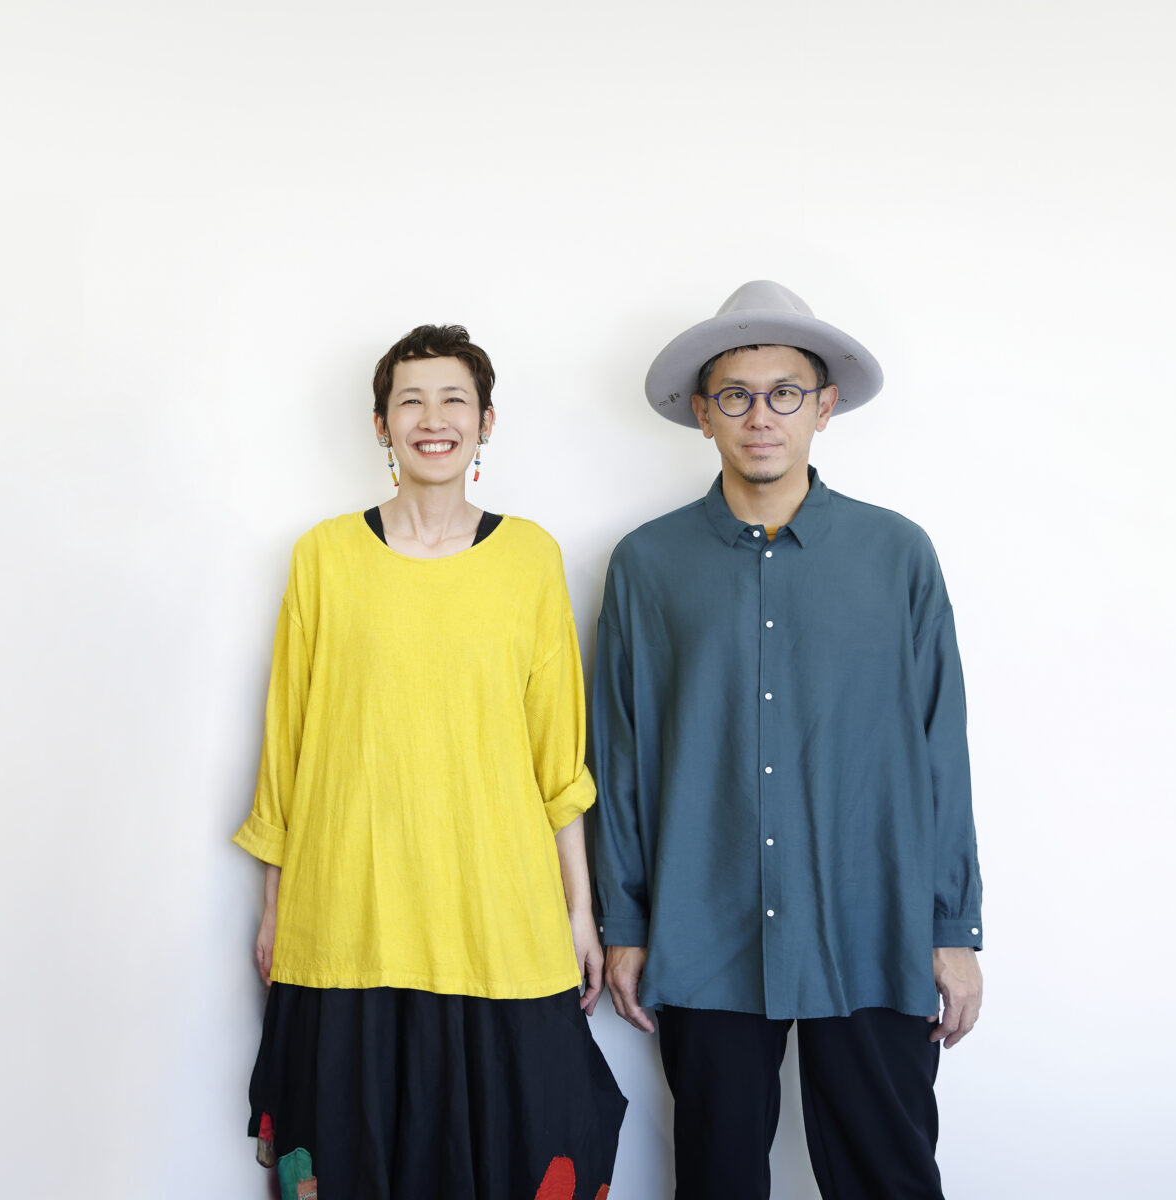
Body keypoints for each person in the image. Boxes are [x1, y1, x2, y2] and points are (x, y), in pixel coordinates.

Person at [593, 281, 983, 1199]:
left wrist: (952, 926)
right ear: (703, 413)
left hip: (872, 920)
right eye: (735, 395)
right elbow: (620, 755)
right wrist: (627, 924)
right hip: (706, 922)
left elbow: (941, 747)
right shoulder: (648, 565)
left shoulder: (898, 555)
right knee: (719, 1178)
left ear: (824, 406)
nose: (760, 416)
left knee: (889, 1174)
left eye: (784, 393)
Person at [233, 323, 625, 1199]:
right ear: (382, 425)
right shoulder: (324, 557)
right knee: (352, 1156)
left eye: (454, 399)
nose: (433, 418)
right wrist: (274, 907)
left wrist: (579, 912)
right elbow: (286, 745)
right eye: (410, 401)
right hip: (349, 915)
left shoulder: (529, 558)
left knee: (528, 1143)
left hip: (497, 914)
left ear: (486, 422)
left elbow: (557, 758)